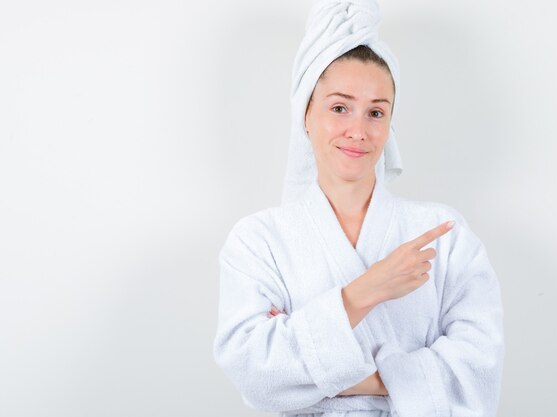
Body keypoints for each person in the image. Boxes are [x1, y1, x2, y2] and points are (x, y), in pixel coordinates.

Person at [213, 1, 504, 416]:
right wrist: (367, 290)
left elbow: (479, 367)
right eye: (339, 107)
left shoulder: (443, 232)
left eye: (376, 112)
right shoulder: (259, 241)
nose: (358, 130)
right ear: (306, 115)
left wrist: (321, 376)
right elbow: (255, 372)